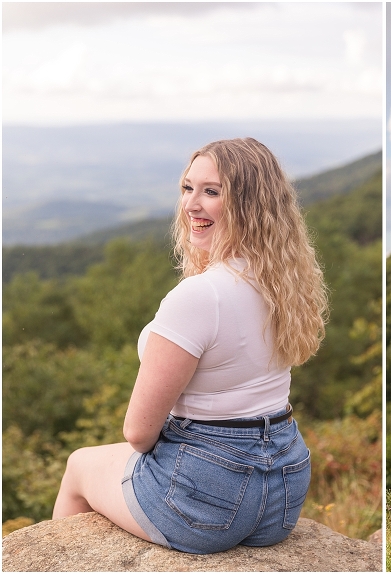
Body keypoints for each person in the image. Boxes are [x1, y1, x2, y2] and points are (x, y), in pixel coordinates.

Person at [53, 138, 329, 553]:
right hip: (283, 491)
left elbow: (138, 434)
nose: (191, 205)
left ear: (248, 205)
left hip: (208, 496)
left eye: (211, 192)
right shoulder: (283, 282)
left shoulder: (200, 296)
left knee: (78, 465)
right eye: (187, 188)